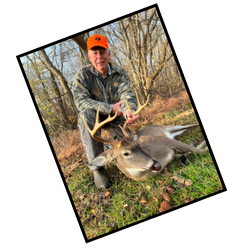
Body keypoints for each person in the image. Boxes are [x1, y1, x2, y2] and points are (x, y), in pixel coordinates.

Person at [72, 34, 139, 189]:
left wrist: (129, 110)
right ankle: (97, 168)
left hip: (116, 117)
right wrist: (110, 108)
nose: (99, 57)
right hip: (94, 118)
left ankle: (115, 155)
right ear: (89, 57)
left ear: (109, 54)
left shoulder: (119, 73)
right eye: (95, 53)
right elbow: (81, 102)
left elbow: (127, 94)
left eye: (102, 52)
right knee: (83, 116)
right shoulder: (82, 76)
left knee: (127, 146)